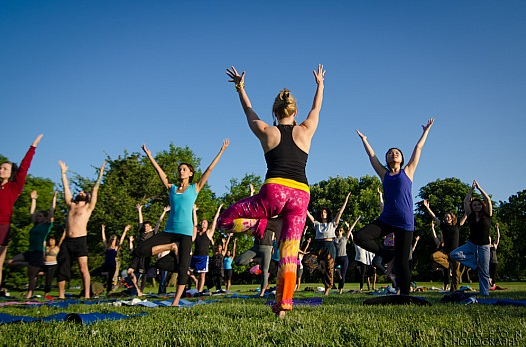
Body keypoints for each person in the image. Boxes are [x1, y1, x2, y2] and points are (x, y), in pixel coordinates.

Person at [218, 64, 325, 317]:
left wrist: (240, 87)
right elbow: (316, 108)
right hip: (300, 195)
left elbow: (248, 111)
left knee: (225, 221)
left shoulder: (267, 131)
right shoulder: (306, 130)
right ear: (295, 112)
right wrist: (320, 84)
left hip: (273, 192)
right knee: (289, 253)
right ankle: (283, 308)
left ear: (274, 113)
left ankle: (262, 226)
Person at [136, 140, 229, 306]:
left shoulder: (195, 188)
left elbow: (209, 169)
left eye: (184, 169)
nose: (181, 171)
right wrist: (149, 156)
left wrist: (221, 150)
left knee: (183, 267)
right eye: (179, 169)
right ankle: (171, 247)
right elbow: (160, 173)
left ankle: (175, 301)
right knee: (141, 249)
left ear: (191, 173)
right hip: (169, 230)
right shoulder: (172, 188)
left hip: (185, 232)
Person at [354, 119, 434, 295]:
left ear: (402, 158)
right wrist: (364, 140)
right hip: (387, 219)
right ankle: (387, 254)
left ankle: (404, 294)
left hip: (405, 222)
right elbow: (372, 157)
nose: (393, 154)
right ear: (387, 159)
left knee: (403, 263)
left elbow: (418, 149)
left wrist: (426, 131)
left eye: (396, 152)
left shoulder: (408, 172)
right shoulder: (384, 174)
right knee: (359, 237)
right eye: (390, 153)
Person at [57, 160, 106, 299]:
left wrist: (100, 174)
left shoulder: (88, 207)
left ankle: (86, 295)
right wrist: (63, 173)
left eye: (83, 191)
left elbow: (95, 188)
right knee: (62, 268)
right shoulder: (71, 205)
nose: (80, 192)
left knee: (83, 268)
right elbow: (66, 188)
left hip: (80, 240)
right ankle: (61, 296)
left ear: (87, 197)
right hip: (67, 240)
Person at [0, 134, 43, 290]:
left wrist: (33, 147)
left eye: (5, 168)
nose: (1, 170)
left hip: (3, 226)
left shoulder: (13, 187)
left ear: (11, 172)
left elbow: (24, 168)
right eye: (1, 167)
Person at [7, 190, 56, 298]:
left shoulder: (47, 226)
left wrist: (54, 198)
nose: (38, 218)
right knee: (10, 261)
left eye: (40, 217)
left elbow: (51, 211)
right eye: (37, 216)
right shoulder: (35, 225)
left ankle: (29, 294)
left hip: (38, 252)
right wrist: (33, 199)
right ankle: (33, 265)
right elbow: (32, 212)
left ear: (45, 218)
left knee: (31, 276)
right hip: (30, 251)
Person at [450, 180, 493, 296]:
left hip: (484, 247)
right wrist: (471, 189)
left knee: (484, 272)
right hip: (471, 245)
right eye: (474, 205)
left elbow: (488, 200)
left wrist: (479, 188)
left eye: (478, 204)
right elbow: (465, 201)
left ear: (481, 206)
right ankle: (474, 264)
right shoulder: (471, 216)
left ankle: (484, 293)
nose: (477, 206)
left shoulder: (487, 215)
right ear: (472, 207)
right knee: (454, 254)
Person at [307, 191, 351, 296]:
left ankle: (327, 290)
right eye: (322, 212)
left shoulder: (332, 224)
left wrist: (346, 200)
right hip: (319, 246)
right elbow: (308, 214)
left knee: (330, 269)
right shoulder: (317, 224)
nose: (323, 214)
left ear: (328, 214)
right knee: (307, 261)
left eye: (325, 212)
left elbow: (340, 212)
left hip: (329, 246)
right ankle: (321, 268)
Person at [423, 199, 466, 291]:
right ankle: (447, 266)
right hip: (445, 251)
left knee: (456, 272)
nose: (446, 218)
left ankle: (454, 290)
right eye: (445, 217)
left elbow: (465, 216)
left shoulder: (457, 225)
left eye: (448, 217)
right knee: (434, 256)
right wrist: (427, 207)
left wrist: (468, 205)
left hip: (456, 252)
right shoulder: (443, 226)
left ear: (452, 218)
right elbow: (435, 217)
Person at [126, 204, 164, 296]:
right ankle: (137, 289)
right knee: (129, 272)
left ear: (150, 227)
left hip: (146, 255)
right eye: (145, 226)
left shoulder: (152, 233)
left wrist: (164, 212)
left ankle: (141, 291)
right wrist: (139, 210)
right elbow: (140, 221)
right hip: (137, 254)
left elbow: (158, 222)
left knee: (144, 274)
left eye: (147, 226)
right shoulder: (141, 232)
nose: (145, 227)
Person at [235, 218, 278, 297]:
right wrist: (252, 260)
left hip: (267, 248)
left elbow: (276, 235)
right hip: (256, 247)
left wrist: (273, 247)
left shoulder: (273, 222)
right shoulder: (258, 220)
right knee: (238, 261)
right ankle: (257, 260)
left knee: (265, 272)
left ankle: (261, 294)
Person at [191, 204, 223, 293]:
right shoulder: (197, 232)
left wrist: (218, 210)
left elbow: (214, 222)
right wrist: (194, 211)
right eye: (202, 222)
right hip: (195, 256)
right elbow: (195, 223)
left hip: (203, 257)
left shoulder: (209, 233)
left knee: (202, 275)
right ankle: (195, 282)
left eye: (204, 222)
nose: (203, 223)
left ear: (207, 224)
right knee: (187, 271)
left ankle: (199, 291)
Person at [91, 224, 129, 295]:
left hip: (112, 265)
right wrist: (103, 230)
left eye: (114, 240)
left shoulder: (116, 248)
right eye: (111, 239)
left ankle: (108, 292)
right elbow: (104, 239)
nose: (112, 241)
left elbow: (121, 240)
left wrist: (125, 231)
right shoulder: (107, 247)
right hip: (106, 265)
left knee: (110, 280)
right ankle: (105, 275)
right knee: (93, 273)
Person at [334, 216, 361, 294]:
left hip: (344, 258)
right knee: (332, 270)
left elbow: (350, 230)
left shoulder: (344, 238)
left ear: (342, 232)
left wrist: (355, 221)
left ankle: (340, 290)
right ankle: (338, 273)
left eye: (340, 231)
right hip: (336, 258)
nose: (339, 232)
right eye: (338, 231)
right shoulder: (334, 239)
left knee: (343, 275)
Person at [43, 231, 65, 298]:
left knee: (48, 280)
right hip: (44, 265)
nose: (50, 241)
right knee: (35, 273)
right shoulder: (46, 247)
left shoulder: (56, 248)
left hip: (52, 265)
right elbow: (43, 239)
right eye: (49, 240)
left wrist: (64, 232)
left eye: (52, 240)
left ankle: (46, 294)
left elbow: (61, 240)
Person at [489, 223, 500, 289]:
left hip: (494, 261)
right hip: (488, 262)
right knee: (488, 274)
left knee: (493, 274)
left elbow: (498, 237)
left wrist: (497, 229)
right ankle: (490, 283)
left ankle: (493, 285)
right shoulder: (486, 246)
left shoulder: (494, 245)